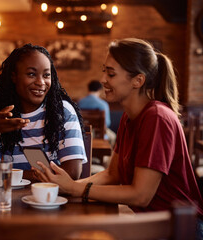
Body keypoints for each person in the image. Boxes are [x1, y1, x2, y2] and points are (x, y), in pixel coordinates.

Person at [35, 38, 203, 236]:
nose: (103, 79)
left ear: (138, 80)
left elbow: (141, 195)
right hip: (154, 224)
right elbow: (111, 174)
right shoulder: (129, 117)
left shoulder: (157, 117)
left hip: (180, 230)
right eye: (104, 70)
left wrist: (75, 189)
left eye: (111, 73)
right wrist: (63, 186)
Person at [0, 43, 87, 182]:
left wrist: (10, 175)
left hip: (50, 200)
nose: (41, 82)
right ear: (14, 76)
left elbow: (72, 173)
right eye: (31, 74)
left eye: (46, 75)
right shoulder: (0, 117)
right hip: (9, 201)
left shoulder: (62, 112)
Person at [78, 80, 116, 145]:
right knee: (113, 137)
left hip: (83, 132)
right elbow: (107, 123)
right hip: (99, 134)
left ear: (88, 88)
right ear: (99, 90)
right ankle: (107, 154)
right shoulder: (103, 104)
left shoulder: (80, 102)